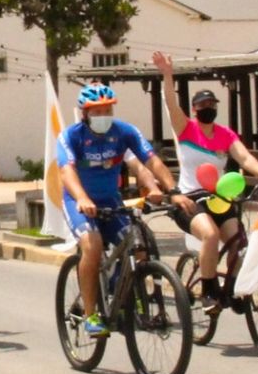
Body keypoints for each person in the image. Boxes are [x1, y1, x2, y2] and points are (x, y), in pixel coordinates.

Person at [58, 84, 194, 337]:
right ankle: (91, 315)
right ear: (85, 114)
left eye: (107, 110)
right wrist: (83, 198)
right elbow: (67, 171)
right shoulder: (71, 136)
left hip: (112, 201)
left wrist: (172, 190)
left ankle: (118, 296)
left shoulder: (124, 132)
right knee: (93, 245)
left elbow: (150, 160)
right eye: (96, 111)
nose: (103, 115)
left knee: (139, 249)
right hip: (79, 202)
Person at [151, 51, 258, 315]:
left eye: (211, 105)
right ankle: (208, 291)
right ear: (195, 109)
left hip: (219, 198)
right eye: (203, 106)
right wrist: (167, 75)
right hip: (190, 199)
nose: (208, 110)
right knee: (211, 235)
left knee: (239, 242)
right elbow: (171, 104)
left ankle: (235, 287)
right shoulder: (186, 129)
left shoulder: (224, 134)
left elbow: (245, 157)